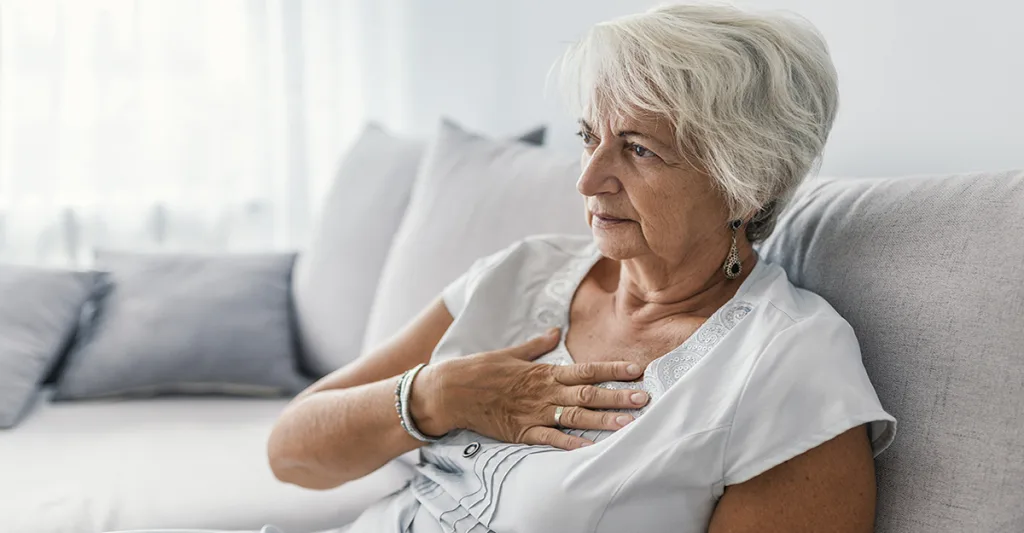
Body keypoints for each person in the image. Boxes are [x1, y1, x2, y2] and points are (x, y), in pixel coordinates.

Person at [125, 4, 897, 533]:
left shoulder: (786, 365)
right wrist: (434, 395)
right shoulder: (525, 274)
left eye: (638, 149)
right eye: (588, 136)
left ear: (746, 181)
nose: (588, 179)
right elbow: (291, 451)